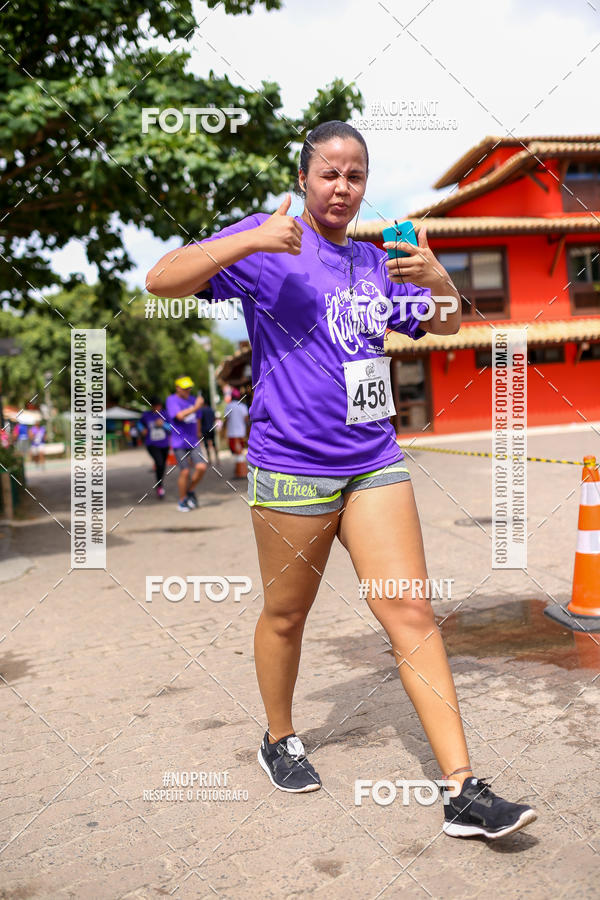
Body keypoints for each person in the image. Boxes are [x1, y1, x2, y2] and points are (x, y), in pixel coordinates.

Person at [146, 121, 537, 839]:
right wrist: (251, 240)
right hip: (292, 466)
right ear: (303, 178)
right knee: (287, 616)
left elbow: (446, 327)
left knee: (410, 614)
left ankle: (462, 789)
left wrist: (442, 279)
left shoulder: (375, 260)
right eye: (328, 173)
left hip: (374, 461)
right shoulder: (271, 244)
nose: (342, 187)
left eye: (355, 174)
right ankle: (279, 736)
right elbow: (161, 278)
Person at [165, 376, 207, 512]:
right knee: (185, 471)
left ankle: (190, 490)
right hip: (179, 442)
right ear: (177, 388)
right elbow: (179, 416)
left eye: (189, 388)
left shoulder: (194, 400)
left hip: (193, 441)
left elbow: (198, 418)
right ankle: (182, 500)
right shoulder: (172, 400)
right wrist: (196, 407)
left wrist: (199, 433)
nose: (188, 390)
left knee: (201, 467)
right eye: (185, 388)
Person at [139, 397, 170, 499]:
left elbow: (173, 428)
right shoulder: (146, 415)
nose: (157, 408)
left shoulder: (166, 414)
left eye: (159, 406)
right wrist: (142, 429)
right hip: (151, 444)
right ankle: (160, 487)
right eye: (155, 406)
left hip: (165, 444)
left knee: (162, 466)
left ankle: (159, 483)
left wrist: (163, 425)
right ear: (151, 406)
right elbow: (139, 423)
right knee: (159, 462)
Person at [223, 389, 248, 474]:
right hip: (241, 432)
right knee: (240, 451)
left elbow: (226, 419)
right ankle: (239, 471)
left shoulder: (229, 406)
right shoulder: (243, 406)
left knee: (238, 452)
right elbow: (246, 419)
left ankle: (241, 471)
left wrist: (223, 431)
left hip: (232, 432)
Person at [199, 400, 219, 465]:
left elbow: (199, 420)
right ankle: (217, 459)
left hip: (204, 429)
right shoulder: (211, 410)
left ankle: (209, 460)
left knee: (206, 445)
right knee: (214, 444)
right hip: (212, 428)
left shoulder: (201, 411)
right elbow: (215, 419)